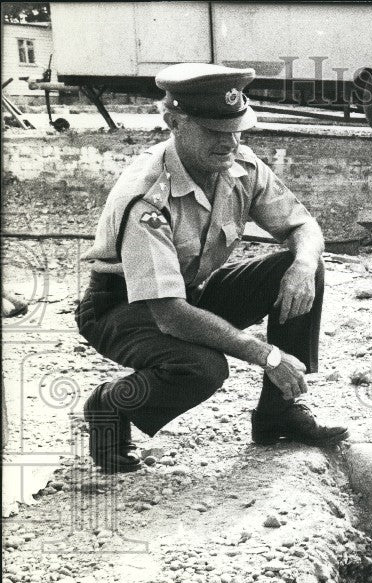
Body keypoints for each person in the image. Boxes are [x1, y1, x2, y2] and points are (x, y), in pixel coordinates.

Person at [76, 63, 348, 473]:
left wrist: (305, 264)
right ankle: (111, 403)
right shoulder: (146, 197)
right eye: (213, 131)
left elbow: (302, 226)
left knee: (299, 267)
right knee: (203, 368)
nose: (229, 142)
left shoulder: (240, 166)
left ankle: (278, 414)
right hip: (122, 307)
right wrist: (268, 356)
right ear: (174, 123)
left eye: (236, 129)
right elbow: (169, 314)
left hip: (189, 292)